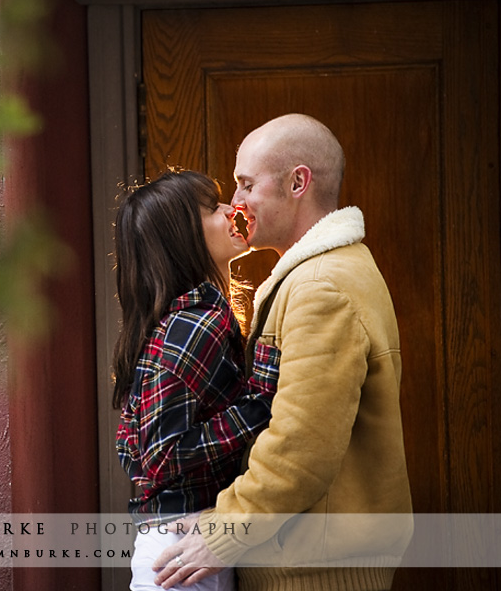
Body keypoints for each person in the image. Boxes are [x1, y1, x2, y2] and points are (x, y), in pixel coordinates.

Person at [152, 114, 413, 591]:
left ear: (298, 182)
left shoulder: (320, 287)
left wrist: (221, 531)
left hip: (314, 570)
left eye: (247, 184)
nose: (236, 203)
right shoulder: (325, 273)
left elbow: (301, 446)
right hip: (309, 556)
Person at [113, 169, 282, 591]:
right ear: (182, 238)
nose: (233, 210)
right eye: (212, 208)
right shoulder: (194, 324)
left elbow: (135, 448)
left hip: (187, 541)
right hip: (180, 551)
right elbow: (160, 456)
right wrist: (259, 403)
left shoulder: (197, 316)